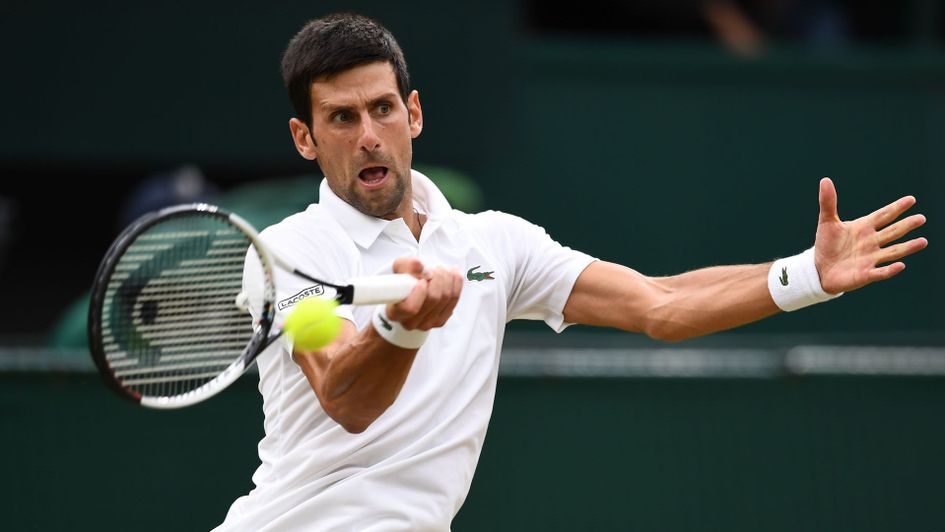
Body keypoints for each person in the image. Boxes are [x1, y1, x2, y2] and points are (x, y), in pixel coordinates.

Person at [217, 12, 927, 531]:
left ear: (414, 113)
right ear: (304, 139)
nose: (368, 134)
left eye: (381, 110)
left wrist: (805, 273)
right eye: (341, 119)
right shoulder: (285, 253)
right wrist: (404, 329)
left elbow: (660, 304)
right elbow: (346, 395)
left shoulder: (493, 243)